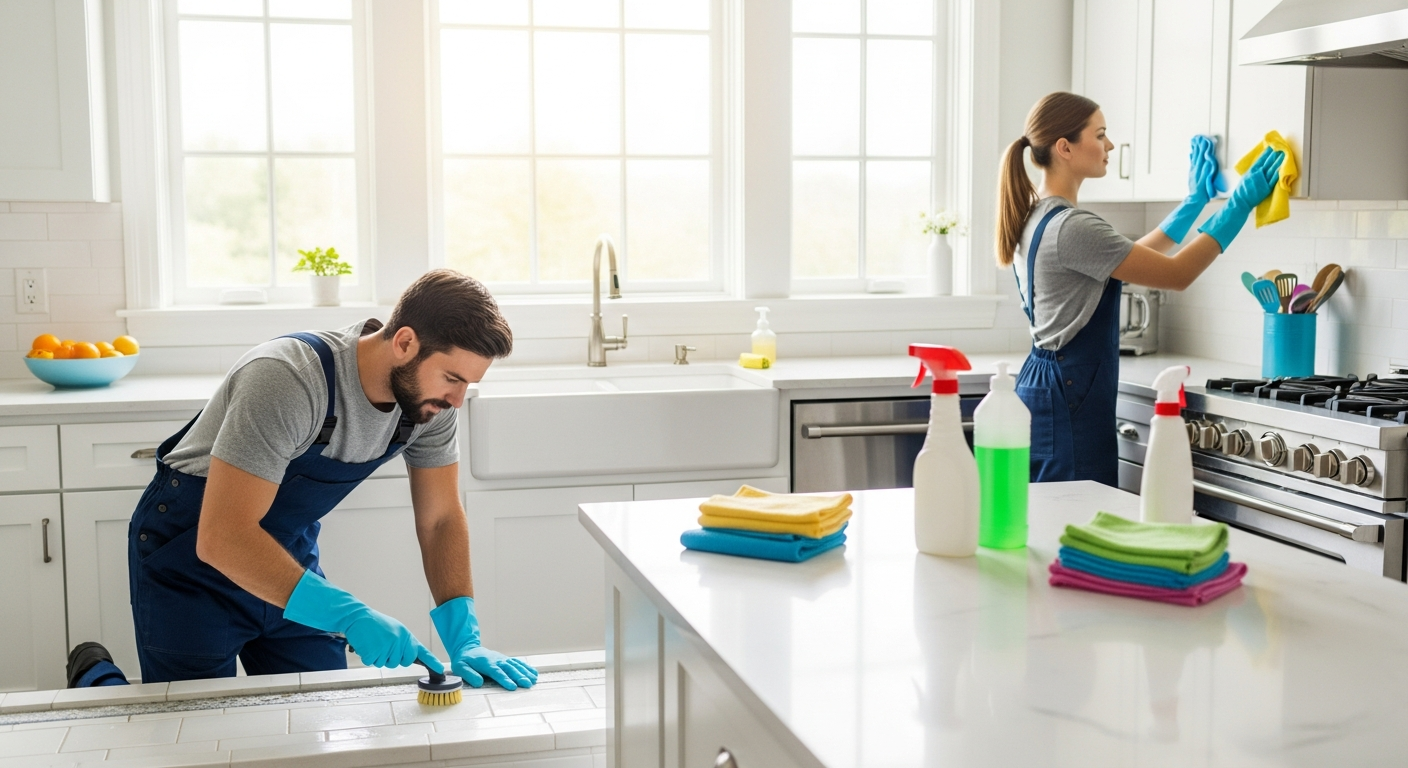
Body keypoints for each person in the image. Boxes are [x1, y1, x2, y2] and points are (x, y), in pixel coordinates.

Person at [67, 269, 537, 691]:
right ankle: (97, 679)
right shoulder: (289, 378)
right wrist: (349, 615)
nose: (458, 401)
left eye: (468, 385)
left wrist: (465, 636)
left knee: (318, 713)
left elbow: (439, 519)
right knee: (194, 731)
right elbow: (224, 537)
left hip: (286, 557)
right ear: (405, 343)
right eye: (452, 378)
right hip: (190, 559)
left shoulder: (429, 406)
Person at [997, 92, 1283, 485]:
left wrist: (1194, 203)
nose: (1110, 145)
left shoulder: (1038, 216)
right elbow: (1177, 273)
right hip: (1068, 394)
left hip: (1044, 383)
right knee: (1076, 515)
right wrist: (1238, 206)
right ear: (1065, 148)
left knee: (1055, 519)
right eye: (1100, 135)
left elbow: (1131, 258)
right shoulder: (1073, 226)